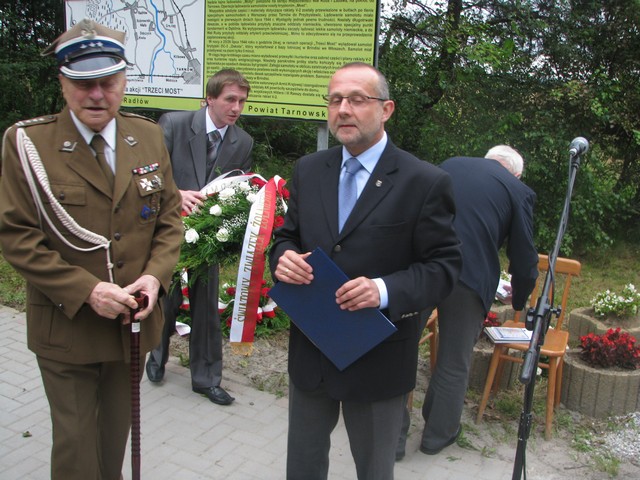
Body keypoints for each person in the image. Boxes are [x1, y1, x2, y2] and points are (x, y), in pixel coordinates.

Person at [0, 19, 183, 480]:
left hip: (132, 327)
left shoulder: (147, 135)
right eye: (84, 83)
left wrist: (155, 277)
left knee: (112, 444)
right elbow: (16, 234)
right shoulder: (29, 144)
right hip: (68, 325)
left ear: (124, 81)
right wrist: (88, 290)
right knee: (77, 451)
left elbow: (169, 219)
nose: (97, 95)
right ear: (63, 83)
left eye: (108, 82)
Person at [268, 62, 462, 480]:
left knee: (374, 471)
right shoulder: (309, 169)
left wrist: (383, 290)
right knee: (302, 467)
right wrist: (282, 258)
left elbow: (443, 268)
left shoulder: (424, 181)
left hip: (378, 360)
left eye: (357, 99)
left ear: (386, 109)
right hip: (312, 354)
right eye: (335, 100)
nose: (343, 109)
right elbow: (286, 237)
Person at [398, 145, 539, 458]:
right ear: (516, 174)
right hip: (469, 275)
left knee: (401, 348)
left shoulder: (451, 162)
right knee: (454, 360)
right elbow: (525, 258)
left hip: (420, 265)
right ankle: (437, 436)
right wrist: (519, 299)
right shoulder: (517, 189)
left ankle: (391, 439)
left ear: (487, 159)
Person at [145, 69, 254, 406]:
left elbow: (240, 187)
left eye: (242, 101)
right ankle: (156, 356)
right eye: (230, 99)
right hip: (168, 230)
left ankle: (207, 379)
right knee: (165, 298)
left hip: (208, 236)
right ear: (209, 98)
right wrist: (176, 195)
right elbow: (147, 175)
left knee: (206, 307)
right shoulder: (174, 125)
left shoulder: (242, 142)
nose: (236, 108)